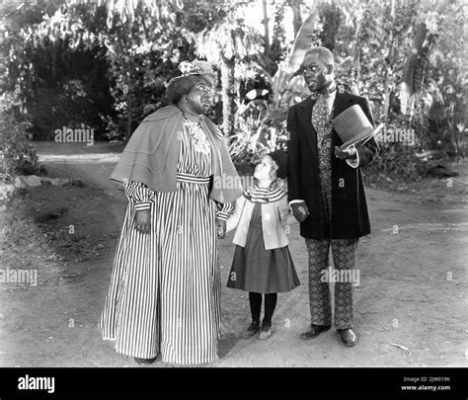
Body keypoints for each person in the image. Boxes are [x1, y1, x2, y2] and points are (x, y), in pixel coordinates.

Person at [101, 60, 243, 365]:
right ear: (183, 92)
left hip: (198, 213)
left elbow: (224, 174)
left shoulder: (212, 132)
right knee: (150, 274)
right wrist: (141, 205)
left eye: (212, 89)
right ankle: (144, 344)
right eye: (202, 88)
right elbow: (139, 167)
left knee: (191, 277)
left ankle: (186, 346)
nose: (210, 95)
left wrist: (222, 212)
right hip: (161, 207)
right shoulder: (157, 122)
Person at [287, 47, 378, 347]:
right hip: (312, 197)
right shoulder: (297, 112)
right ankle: (319, 320)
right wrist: (295, 198)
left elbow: (372, 149)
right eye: (303, 70)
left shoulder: (355, 103)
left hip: (344, 196)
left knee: (343, 263)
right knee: (315, 263)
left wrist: (355, 154)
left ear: (329, 67)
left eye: (312, 69)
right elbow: (295, 158)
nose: (306, 75)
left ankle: (344, 324)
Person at [226, 151, 300, 340]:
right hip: (249, 243)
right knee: (253, 284)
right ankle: (254, 322)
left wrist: (299, 216)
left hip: (270, 245)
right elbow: (236, 217)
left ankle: (267, 322)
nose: (259, 166)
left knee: (269, 284)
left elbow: (286, 218)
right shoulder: (247, 193)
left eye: (265, 165)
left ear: (274, 173)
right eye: (260, 163)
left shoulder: (280, 196)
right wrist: (220, 228)